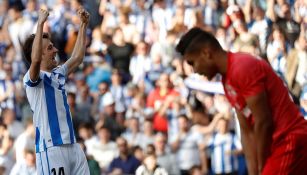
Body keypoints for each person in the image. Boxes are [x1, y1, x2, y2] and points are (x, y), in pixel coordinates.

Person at [175, 27, 307, 175]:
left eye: (192, 63)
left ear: (206, 53)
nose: (194, 71)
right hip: (278, 145)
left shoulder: (243, 67)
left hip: (289, 139)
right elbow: (246, 131)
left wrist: (261, 167)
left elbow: (264, 122)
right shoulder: (227, 81)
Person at [22, 8, 90, 175]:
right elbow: (36, 59)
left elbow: (78, 57)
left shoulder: (58, 73)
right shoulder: (32, 79)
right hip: (51, 148)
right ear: (39, 52)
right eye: (50, 48)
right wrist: (40, 24)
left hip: (73, 145)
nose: (56, 51)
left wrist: (83, 25)